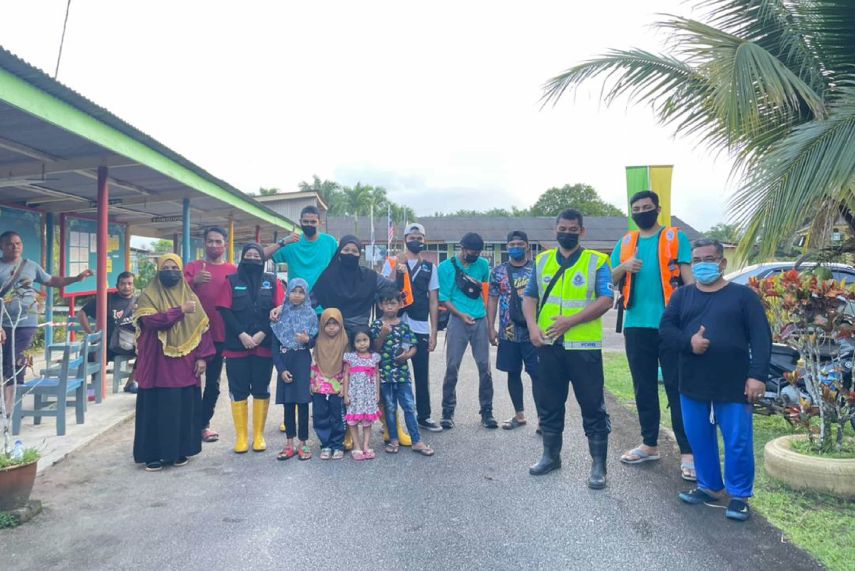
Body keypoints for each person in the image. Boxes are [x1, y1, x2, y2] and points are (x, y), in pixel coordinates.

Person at [660, 238, 771, 522]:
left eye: (708, 259)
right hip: (692, 382)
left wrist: (757, 376)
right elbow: (667, 330)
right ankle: (709, 487)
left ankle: (739, 496)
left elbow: (761, 338)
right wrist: (689, 342)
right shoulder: (682, 296)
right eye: (696, 260)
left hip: (733, 383)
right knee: (699, 438)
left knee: (737, 441)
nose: (701, 265)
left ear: (722, 263)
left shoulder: (743, 297)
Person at [522, 209, 613, 489]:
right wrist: (532, 328)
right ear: (555, 229)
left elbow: (606, 300)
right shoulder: (542, 260)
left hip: (584, 347)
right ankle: (550, 456)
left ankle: (598, 466)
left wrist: (569, 322)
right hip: (549, 345)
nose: (567, 233)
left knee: (592, 406)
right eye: (563, 228)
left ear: (582, 231)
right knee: (549, 403)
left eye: (573, 229)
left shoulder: (597, 261)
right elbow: (530, 298)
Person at [611, 190, 696, 480]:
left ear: (658, 209)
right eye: (636, 209)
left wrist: (695, 316)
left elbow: (688, 279)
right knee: (643, 386)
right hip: (636, 324)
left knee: (677, 386)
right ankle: (649, 444)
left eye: (646, 207)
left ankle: (688, 452)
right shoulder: (625, 243)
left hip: (672, 324)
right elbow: (608, 278)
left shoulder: (675, 238)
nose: (641, 212)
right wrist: (624, 267)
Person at [132, 254, 214, 472]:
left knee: (182, 406)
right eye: (166, 268)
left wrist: (202, 357)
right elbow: (150, 322)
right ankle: (153, 455)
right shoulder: (148, 296)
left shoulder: (190, 296)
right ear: (158, 271)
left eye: (175, 268)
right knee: (155, 407)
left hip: (184, 364)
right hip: (156, 363)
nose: (171, 272)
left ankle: (180, 451)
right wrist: (180, 311)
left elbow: (203, 329)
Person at [1, 230, 92, 414]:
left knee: (16, 361)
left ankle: (11, 408)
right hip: (4, 323)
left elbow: (52, 280)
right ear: (2, 247)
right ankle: (10, 405)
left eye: (18, 243)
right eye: (10, 244)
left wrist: (76, 279)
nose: (15, 247)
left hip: (27, 322)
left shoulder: (30, 266)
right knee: (8, 362)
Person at [218, 244, 284, 454]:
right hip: (237, 346)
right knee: (238, 390)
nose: (253, 259)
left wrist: (263, 332)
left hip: (263, 345)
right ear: (242, 258)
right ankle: (241, 437)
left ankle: (258, 436)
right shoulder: (231, 281)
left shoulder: (272, 282)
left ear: (262, 260)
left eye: (257, 256)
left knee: (261, 388)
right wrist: (242, 334)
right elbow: (225, 311)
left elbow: (279, 310)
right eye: (249, 255)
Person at [381, 223, 442, 433]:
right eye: (412, 237)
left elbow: (433, 300)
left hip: (420, 325)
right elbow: (384, 288)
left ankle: (424, 416)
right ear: (405, 239)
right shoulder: (392, 261)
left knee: (421, 372)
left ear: (424, 240)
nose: (416, 240)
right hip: (395, 323)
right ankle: (389, 419)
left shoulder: (430, 267)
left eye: (420, 237)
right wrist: (398, 265)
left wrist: (434, 332)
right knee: (391, 372)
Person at [437, 232, 496, 429]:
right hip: (458, 320)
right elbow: (444, 298)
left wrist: (490, 325)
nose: (475, 255)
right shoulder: (446, 267)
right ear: (462, 248)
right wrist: (460, 314)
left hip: (479, 319)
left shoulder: (483, 265)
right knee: (452, 366)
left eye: (478, 252)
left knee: (484, 367)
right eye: (472, 251)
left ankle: (487, 411)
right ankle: (447, 411)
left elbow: (486, 291)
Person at [184, 226, 237, 443]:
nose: (214, 245)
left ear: (225, 244)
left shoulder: (233, 270)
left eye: (218, 241)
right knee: (189, 381)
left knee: (213, 384)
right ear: (204, 243)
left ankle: (203, 424)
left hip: (221, 336)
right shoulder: (193, 268)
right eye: (210, 241)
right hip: (193, 335)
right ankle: (187, 425)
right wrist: (193, 282)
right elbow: (176, 293)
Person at [371, 286, 434, 456]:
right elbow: (374, 349)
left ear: (400, 304)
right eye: (386, 304)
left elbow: (413, 346)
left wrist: (407, 355)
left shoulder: (404, 326)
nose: (390, 307)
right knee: (390, 408)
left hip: (402, 375)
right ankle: (393, 439)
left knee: (409, 406)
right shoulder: (377, 325)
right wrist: (383, 334)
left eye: (393, 303)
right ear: (380, 305)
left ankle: (417, 440)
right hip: (385, 375)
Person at [488, 230, 540, 430]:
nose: (515, 248)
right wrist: (491, 327)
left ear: (527, 246)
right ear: (507, 247)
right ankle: (519, 416)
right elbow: (493, 299)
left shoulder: (537, 269)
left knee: (538, 375)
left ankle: (543, 419)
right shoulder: (498, 271)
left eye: (520, 244)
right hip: (508, 332)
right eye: (512, 245)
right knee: (513, 373)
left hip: (533, 331)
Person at [271, 278, 317, 461]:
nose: (297, 295)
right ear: (287, 292)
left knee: (303, 404)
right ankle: (289, 443)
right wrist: (281, 369)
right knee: (288, 404)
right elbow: (274, 347)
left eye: (301, 292)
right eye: (293, 291)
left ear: (306, 295)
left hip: (302, 362)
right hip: (285, 362)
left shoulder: (311, 315)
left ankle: (303, 443)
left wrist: (308, 340)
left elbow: (314, 342)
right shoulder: (279, 315)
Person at [312, 235, 394, 335]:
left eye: (354, 251)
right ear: (339, 252)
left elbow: (392, 287)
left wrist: (400, 272)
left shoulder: (369, 277)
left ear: (359, 254)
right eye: (346, 250)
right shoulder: (328, 277)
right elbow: (309, 302)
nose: (350, 253)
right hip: (334, 331)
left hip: (360, 335)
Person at [264, 205, 338, 309]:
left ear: (320, 223)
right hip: (297, 305)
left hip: (324, 305)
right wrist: (282, 242)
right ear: (300, 222)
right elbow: (261, 256)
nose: (309, 224)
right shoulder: (290, 243)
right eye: (306, 221)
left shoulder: (330, 242)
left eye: (313, 222)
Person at [79, 271, 138, 393]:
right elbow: (82, 313)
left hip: (130, 344)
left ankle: (130, 383)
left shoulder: (140, 301)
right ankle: (95, 386)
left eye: (129, 283)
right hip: (107, 344)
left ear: (133, 285)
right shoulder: (107, 299)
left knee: (148, 351)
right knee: (93, 352)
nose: (126, 286)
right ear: (117, 285)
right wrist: (91, 334)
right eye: (123, 283)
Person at [311, 308, 348, 460]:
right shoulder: (317, 341)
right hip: (319, 384)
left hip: (338, 384)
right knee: (320, 416)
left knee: (338, 416)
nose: (331, 327)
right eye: (328, 324)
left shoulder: (345, 341)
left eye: (335, 323)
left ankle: (338, 444)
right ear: (322, 325)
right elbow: (313, 362)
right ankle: (326, 444)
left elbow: (348, 366)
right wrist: (311, 383)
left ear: (341, 324)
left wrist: (345, 385)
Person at [342, 328, 381, 460]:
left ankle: (366, 446)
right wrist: (346, 394)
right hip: (354, 395)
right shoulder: (351, 357)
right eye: (358, 341)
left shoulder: (374, 358)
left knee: (367, 422)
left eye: (365, 340)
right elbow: (346, 375)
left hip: (368, 396)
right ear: (353, 343)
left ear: (370, 340)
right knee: (352, 421)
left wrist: (377, 394)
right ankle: (357, 447)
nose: (362, 343)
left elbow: (377, 375)